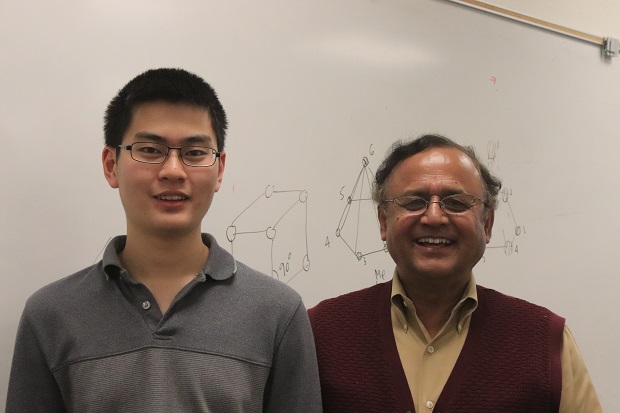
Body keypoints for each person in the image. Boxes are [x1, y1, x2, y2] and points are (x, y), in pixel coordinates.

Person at [6, 68, 322, 413]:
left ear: (220, 170)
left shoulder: (278, 313)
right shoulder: (50, 314)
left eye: (195, 152)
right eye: (150, 149)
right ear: (111, 165)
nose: (173, 170)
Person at [308, 134, 601, 413]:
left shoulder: (547, 342)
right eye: (413, 202)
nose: (434, 216)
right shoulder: (317, 334)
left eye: (456, 203)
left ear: (487, 224)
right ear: (383, 222)